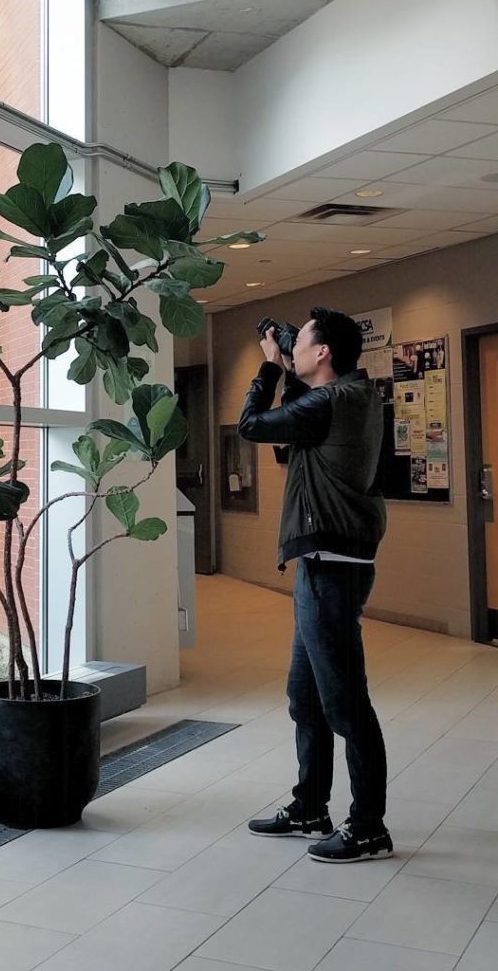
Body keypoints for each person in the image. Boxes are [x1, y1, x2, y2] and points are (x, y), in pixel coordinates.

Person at [238, 307, 391, 863]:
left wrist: (269, 370)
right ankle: (310, 806)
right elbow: (293, 434)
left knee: (346, 704)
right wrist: (289, 361)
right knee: (305, 697)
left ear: (323, 352)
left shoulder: (332, 401)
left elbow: (252, 426)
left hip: (332, 568)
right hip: (324, 564)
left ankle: (368, 825)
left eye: (300, 341)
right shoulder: (353, 396)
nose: (292, 347)